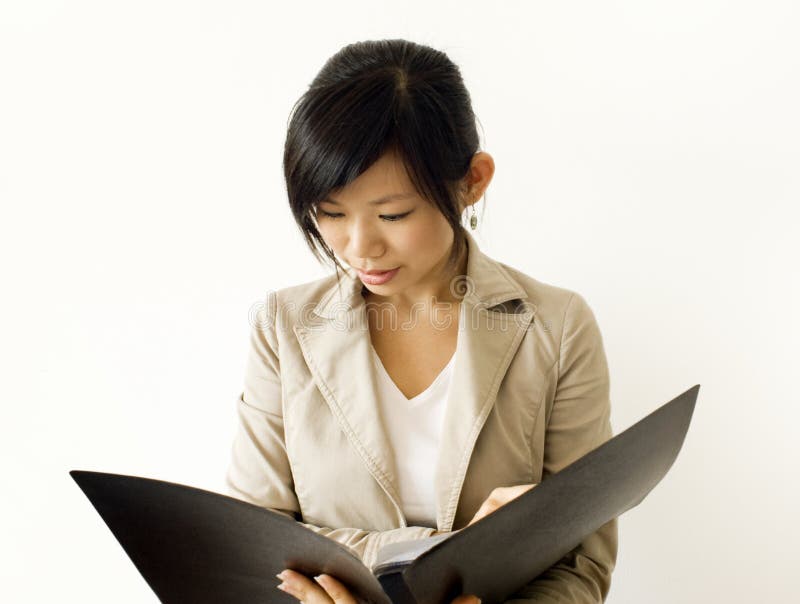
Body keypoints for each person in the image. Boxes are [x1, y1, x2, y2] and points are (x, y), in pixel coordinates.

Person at [225, 38, 617, 603]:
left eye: (393, 213)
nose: (359, 248)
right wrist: (447, 549)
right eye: (330, 213)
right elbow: (249, 541)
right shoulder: (283, 327)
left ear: (473, 180)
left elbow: (581, 562)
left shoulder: (556, 327)